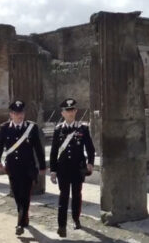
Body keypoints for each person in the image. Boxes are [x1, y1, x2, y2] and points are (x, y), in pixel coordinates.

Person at [0, 100, 46, 235]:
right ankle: (23, 215)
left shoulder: (31, 127)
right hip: (12, 168)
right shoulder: (4, 128)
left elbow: (38, 149)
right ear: (11, 114)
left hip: (28, 169)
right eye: (16, 113)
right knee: (17, 195)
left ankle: (20, 223)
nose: (19, 115)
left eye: (21, 112)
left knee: (25, 195)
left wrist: (42, 166)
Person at [50, 98, 95, 238]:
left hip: (77, 168)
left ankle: (76, 219)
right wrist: (53, 170)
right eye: (67, 111)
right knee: (63, 196)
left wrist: (90, 163)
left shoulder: (83, 128)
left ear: (76, 111)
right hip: (63, 169)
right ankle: (61, 226)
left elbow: (90, 148)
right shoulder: (58, 130)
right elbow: (53, 151)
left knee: (76, 195)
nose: (70, 113)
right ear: (62, 113)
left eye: (72, 110)